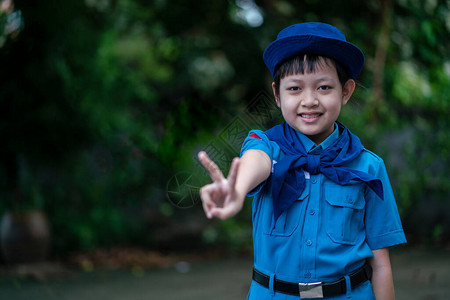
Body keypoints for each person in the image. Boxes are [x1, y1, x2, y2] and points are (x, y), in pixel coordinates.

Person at [198, 22, 406, 299]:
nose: (309, 101)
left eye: (323, 87)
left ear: (346, 91)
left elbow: (380, 264)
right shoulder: (266, 146)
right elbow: (256, 161)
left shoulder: (368, 167)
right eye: (295, 89)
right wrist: (236, 190)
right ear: (277, 94)